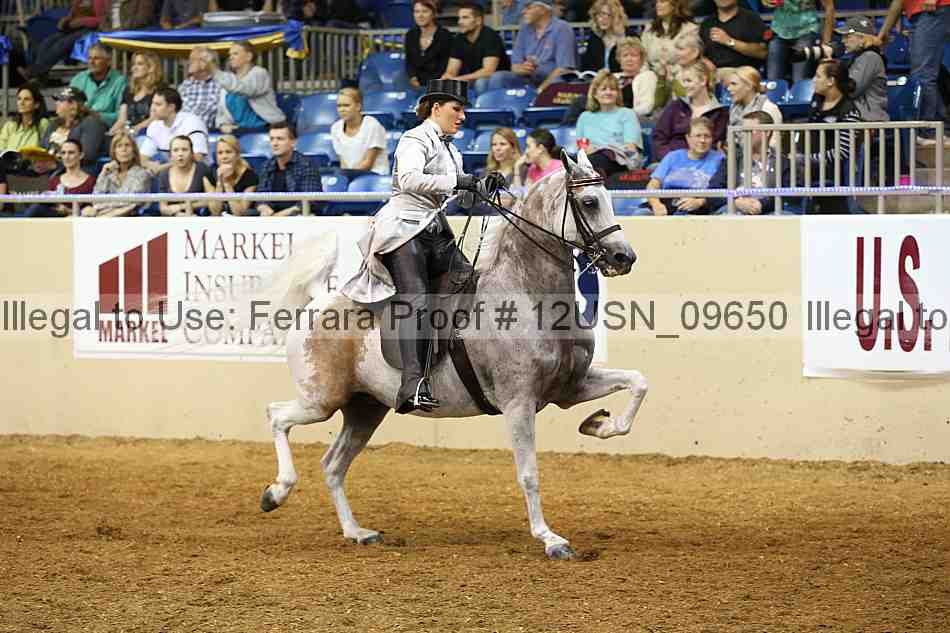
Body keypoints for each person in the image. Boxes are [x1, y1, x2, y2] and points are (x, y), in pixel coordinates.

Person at [340, 79, 501, 413]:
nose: (462, 117)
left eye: (463, 111)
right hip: (402, 231)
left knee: (471, 285)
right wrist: (459, 181)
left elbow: (460, 196)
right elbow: (409, 179)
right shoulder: (414, 138)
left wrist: (483, 186)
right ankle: (411, 384)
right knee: (415, 299)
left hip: (434, 230)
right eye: (457, 109)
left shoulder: (452, 150)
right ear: (436, 108)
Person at [876, 0, 950, 146]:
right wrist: (883, 33)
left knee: (923, 74)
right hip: (920, 14)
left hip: (932, 10)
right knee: (922, 74)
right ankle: (939, 130)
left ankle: (932, 131)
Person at [797, 59, 861, 213]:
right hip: (806, 163)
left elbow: (843, 151)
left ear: (831, 81)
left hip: (831, 169)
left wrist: (809, 159)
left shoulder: (849, 111)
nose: (814, 80)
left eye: (818, 76)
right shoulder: (816, 100)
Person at [485, 0, 578, 93]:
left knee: (559, 80)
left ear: (543, 9)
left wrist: (540, 90)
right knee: (499, 77)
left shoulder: (562, 28)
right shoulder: (524, 28)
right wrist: (523, 68)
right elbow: (514, 67)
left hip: (553, 79)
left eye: (528, 8)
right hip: (529, 79)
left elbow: (564, 69)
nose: (523, 12)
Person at [645, 117, 725, 215]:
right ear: (688, 138)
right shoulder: (673, 157)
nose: (702, 140)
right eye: (698, 136)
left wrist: (700, 202)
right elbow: (653, 185)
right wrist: (656, 204)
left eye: (707, 136)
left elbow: (723, 191)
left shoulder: (720, 159)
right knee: (641, 213)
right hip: (667, 205)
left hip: (701, 209)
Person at [653, 60, 728, 160]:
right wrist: (670, 159)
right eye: (683, 81)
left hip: (704, 163)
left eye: (689, 81)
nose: (684, 86)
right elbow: (659, 138)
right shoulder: (676, 106)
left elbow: (715, 145)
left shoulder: (720, 112)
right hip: (672, 161)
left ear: (703, 80)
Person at [576, 70, 645, 177]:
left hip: (620, 161)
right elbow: (582, 147)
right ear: (595, 94)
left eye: (612, 89)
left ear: (617, 93)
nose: (608, 92)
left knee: (597, 160)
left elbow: (630, 147)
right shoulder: (584, 117)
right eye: (603, 89)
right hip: (591, 160)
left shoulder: (627, 114)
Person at [17, 0, 108, 81]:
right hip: (75, 27)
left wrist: (80, 22)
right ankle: (41, 76)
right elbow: (72, 14)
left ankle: (34, 72)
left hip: (90, 30)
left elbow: (100, 20)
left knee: (61, 44)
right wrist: (66, 20)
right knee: (48, 41)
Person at [211, 41, 286, 134]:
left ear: (249, 57)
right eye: (230, 54)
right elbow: (222, 111)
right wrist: (223, 124)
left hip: (266, 129)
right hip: (239, 130)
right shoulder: (230, 79)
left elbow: (246, 89)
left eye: (235, 53)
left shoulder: (259, 73)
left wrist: (214, 71)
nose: (230, 57)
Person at [441, 2, 511, 95]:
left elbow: (488, 71)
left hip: (496, 80)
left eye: (465, 18)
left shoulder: (490, 36)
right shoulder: (459, 38)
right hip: (471, 79)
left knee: (480, 83)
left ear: (478, 20)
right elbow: (451, 70)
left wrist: (458, 79)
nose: (460, 22)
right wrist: (447, 78)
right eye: (459, 18)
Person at [257, 122, 324, 217]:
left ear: (293, 142)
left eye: (280, 139)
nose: (274, 143)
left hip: (298, 216)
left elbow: (310, 200)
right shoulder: (266, 165)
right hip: (272, 217)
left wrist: (279, 216)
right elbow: (261, 196)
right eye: (272, 139)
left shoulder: (306, 165)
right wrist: (264, 208)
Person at [763, 0, 835, 83]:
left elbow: (829, 7)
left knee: (799, 81)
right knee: (773, 82)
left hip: (806, 31)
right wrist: (767, 2)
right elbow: (766, 2)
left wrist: (826, 43)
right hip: (778, 31)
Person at [81, 133, 151, 217]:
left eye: (127, 145)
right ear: (114, 151)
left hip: (130, 217)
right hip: (104, 216)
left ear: (134, 151)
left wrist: (98, 209)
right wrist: (103, 172)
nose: (124, 149)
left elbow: (131, 202)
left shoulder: (142, 174)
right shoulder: (109, 172)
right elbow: (96, 199)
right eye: (119, 146)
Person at [39, 87, 108, 171]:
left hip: (78, 172)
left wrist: (56, 165)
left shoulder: (92, 123)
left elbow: (87, 155)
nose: (56, 103)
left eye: (60, 100)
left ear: (73, 104)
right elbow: (41, 147)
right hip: (48, 170)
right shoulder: (54, 123)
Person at [22, 140, 96, 218]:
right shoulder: (54, 180)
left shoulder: (91, 182)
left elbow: (91, 210)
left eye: (71, 153)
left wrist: (68, 211)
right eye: (63, 153)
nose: (66, 157)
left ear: (81, 155)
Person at [836, 16, 888, 123]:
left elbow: (852, 90)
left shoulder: (870, 57)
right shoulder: (859, 57)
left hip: (869, 120)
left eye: (847, 36)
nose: (843, 41)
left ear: (862, 38)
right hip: (858, 119)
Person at [144, 87, 210, 172]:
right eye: (152, 103)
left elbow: (197, 157)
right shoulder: (154, 125)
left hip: (195, 173)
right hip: (167, 173)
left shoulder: (192, 122)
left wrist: (162, 168)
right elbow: (142, 157)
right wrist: (150, 165)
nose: (152, 108)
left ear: (171, 107)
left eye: (158, 104)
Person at [698, 0, 768, 78]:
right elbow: (700, 53)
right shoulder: (707, 23)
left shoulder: (751, 18)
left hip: (743, 73)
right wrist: (705, 61)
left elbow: (762, 52)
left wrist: (729, 41)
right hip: (714, 74)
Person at [732, 110, 783, 215]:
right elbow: (716, 188)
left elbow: (790, 195)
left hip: (769, 212)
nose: (744, 135)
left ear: (767, 132)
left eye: (750, 131)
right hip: (735, 209)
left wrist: (761, 204)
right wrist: (735, 201)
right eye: (743, 131)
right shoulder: (732, 160)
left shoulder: (783, 163)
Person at [330, 88, 389, 176]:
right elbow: (343, 163)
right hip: (350, 175)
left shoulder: (372, 125)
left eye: (346, 105)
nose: (342, 109)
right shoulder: (335, 128)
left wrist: (349, 176)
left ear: (358, 106)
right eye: (339, 106)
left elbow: (368, 163)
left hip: (374, 176)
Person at [68, 43, 128, 128]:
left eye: (96, 58)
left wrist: (97, 115)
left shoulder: (119, 81)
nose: (91, 62)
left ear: (108, 61)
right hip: (77, 123)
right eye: (89, 58)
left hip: (103, 126)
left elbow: (121, 115)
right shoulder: (79, 78)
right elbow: (68, 103)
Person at [640, 0, 699, 78]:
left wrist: (670, 74)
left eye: (662, 2)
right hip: (652, 77)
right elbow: (643, 58)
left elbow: (690, 60)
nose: (657, 5)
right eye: (657, 2)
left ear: (674, 5)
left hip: (680, 76)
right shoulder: (649, 28)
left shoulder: (690, 29)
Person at [111, 52, 165, 136]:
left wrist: (132, 130)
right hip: (129, 133)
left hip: (149, 134)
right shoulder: (129, 90)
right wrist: (112, 132)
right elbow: (121, 120)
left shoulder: (160, 89)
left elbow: (154, 118)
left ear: (151, 67)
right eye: (133, 64)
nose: (134, 68)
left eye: (139, 64)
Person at [203, 135, 259, 216]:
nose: (224, 157)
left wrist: (227, 183)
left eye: (228, 152)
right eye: (220, 153)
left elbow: (239, 213)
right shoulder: (209, 175)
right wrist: (220, 183)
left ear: (237, 155)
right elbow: (215, 212)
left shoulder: (251, 177)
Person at [404, 0, 453, 91]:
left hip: (438, 81)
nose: (420, 15)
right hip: (416, 81)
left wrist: (434, 83)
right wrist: (413, 78)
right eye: (417, 12)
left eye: (425, 11)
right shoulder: (410, 35)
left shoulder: (445, 35)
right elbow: (409, 61)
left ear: (433, 14)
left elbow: (446, 64)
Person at [159, 135, 213, 216]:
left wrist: (181, 206)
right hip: (173, 219)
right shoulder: (164, 174)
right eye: (175, 150)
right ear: (170, 154)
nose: (180, 154)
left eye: (184, 150)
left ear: (192, 153)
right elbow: (163, 208)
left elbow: (212, 199)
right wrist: (179, 215)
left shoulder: (202, 169)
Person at [0, 84, 50, 163]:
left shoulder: (43, 124)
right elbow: (1, 150)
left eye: (27, 99)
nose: (21, 102)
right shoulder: (9, 126)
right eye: (19, 99)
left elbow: (45, 152)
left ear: (36, 104)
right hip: (7, 167)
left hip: (32, 169)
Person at [616, 37, 663, 118]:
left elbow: (647, 107)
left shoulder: (647, 76)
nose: (629, 59)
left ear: (641, 59)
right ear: (619, 59)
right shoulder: (613, 77)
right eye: (625, 55)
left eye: (633, 55)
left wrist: (623, 115)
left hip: (635, 119)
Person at [580, 0, 631, 73]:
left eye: (607, 14)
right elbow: (587, 68)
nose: (602, 19)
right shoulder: (594, 38)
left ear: (616, 16)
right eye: (598, 15)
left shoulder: (629, 36)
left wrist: (621, 38)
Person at [179, 47, 221, 130]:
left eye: (193, 59)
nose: (189, 62)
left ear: (205, 63)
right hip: (179, 132)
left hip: (205, 132)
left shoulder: (219, 85)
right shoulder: (185, 85)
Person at [668, 32, 717, 98]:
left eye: (681, 49)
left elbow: (688, 96)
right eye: (676, 49)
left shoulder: (704, 70)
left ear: (695, 52)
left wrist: (672, 81)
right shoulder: (676, 68)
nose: (676, 53)